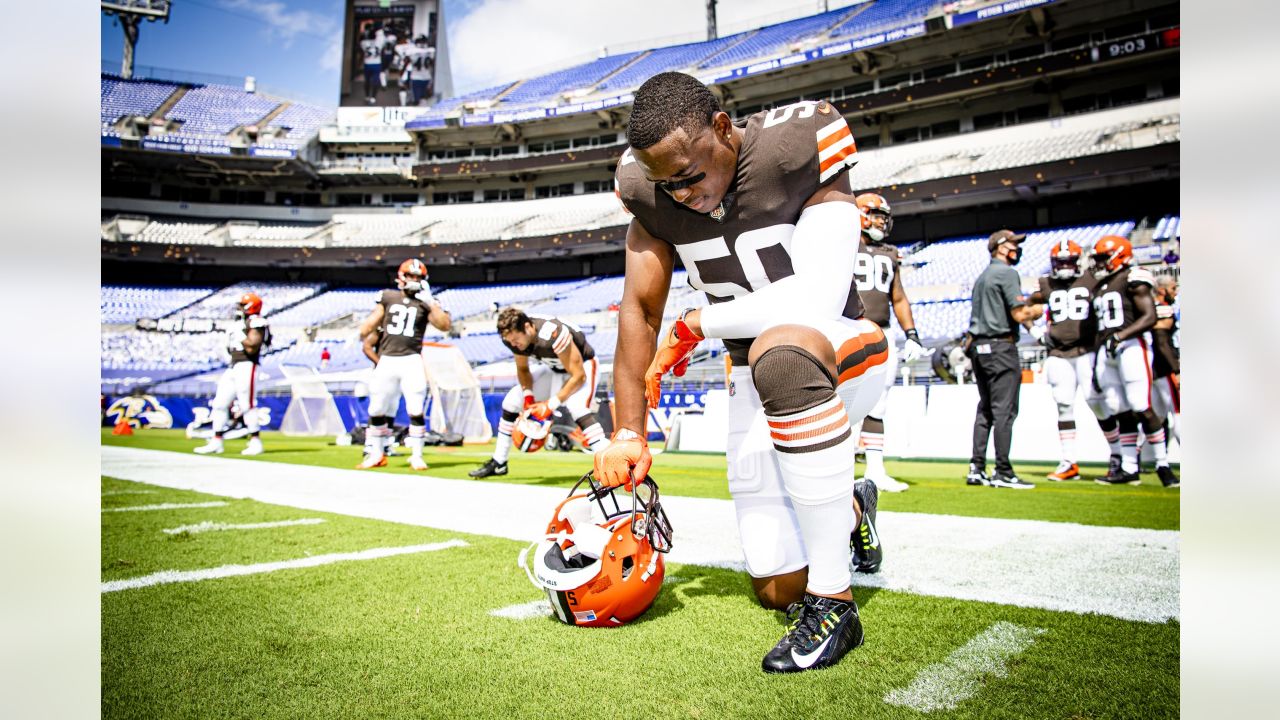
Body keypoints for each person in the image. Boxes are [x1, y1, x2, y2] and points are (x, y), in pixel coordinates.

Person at [599, 72, 887, 674]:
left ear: (724, 130)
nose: (679, 195)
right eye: (663, 184)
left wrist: (694, 325)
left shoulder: (795, 146)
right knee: (775, 587)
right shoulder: (646, 189)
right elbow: (640, 307)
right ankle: (854, 508)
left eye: (689, 176)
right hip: (748, 372)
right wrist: (628, 431)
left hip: (838, 346)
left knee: (779, 353)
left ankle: (835, 604)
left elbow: (815, 299)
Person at [469, 308, 610, 478]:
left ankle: (608, 464)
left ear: (528, 327)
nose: (513, 344)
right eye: (510, 341)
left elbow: (579, 375)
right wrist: (529, 397)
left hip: (584, 366)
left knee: (577, 407)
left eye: (515, 340)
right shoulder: (515, 339)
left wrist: (550, 404)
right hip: (554, 369)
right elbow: (522, 369)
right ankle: (499, 462)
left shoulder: (553, 334)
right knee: (512, 401)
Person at [1089, 237, 1176, 487]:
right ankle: (1129, 468)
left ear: (1118, 255)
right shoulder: (1102, 285)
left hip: (1131, 345)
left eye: (1103, 257)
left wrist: (1121, 335)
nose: (1100, 263)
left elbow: (1149, 316)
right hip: (1108, 349)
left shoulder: (1133, 276)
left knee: (1141, 405)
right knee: (1118, 408)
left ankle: (1163, 465)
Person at [851, 193, 923, 493]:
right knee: (844, 402)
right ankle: (837, 470)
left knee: (879, 404)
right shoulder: (842, 243)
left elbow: (898, 297)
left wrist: (912, 334)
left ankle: (876, 470)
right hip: (848, 328)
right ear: (862, 214)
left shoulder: (890, 253)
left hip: (882, 332)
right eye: (877, 214)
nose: (882, 221)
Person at [964, 230, 1044, 489]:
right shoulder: (1006, 273)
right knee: (1004, 411)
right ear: (1000, 247)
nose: (1016, 249)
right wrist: (1040, 308)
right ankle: (1003, 471)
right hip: (1000, 348)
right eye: (1013, 244)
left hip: (979, 348)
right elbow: (1020, 313)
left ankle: (976, 468)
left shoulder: (982, 277)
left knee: (985, 409)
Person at [357, 258, 451, 471]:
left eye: (418, 277)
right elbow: (372, 321)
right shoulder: (388, 297)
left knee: (415, 408)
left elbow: (444, 325)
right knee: (377, 407)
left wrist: (430, 302)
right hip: (388, 358)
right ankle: (376, 453)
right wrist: (361, 331)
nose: (414, 280)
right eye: (411, 275)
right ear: (401, 277)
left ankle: (417, 455)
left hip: (412, 359)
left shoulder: (426, 302)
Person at [1024, 239, 1107, 481]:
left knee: (1099, 403)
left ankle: (1118, 456)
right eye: (1060, 262)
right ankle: (1069, 461)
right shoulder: (1046, 284)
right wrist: (1036, 332)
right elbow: (1025, 308)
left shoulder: (1092, 279)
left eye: (1068, 261)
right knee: (1063, 405)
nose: (1064, 266)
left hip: (1087, 350)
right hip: (1059, 353)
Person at [195, 292, 271, 456]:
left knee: (247, 404)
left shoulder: (257, 322)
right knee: (220, 404)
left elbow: (252, 346)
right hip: (233, 366)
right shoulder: (241, 322)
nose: (240, 308)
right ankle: (216, 441)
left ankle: (255, 441)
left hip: (247, 365)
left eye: (243, 305)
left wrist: (240, 335)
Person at [1150, 276, 1180, 451]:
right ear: (1162, 290)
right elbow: (1162, 342)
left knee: (1157, 416)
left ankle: (1134, 461)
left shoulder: (1145, 309)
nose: (1175, 293)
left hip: (1150, 370)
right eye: (1172, 288)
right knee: (1179, 413)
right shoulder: (1163, 310)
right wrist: (1176, 369)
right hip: (1164, 369)